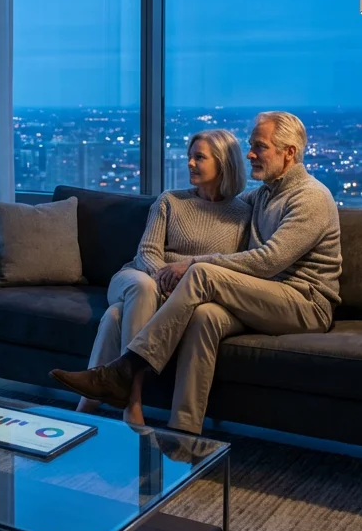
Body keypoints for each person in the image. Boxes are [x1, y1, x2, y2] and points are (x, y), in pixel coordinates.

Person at [51, 111, 342, 433]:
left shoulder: (311, 197)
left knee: (202, 273)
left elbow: (269, 261)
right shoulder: (262, 195)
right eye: (249, 146)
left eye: (259, 147)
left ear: (289, 152)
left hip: (304, 303)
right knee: (205, 316)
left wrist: (189, 263)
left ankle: (124, 370)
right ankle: (184, 433)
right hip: (264, 296)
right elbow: (220, 206)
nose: (250, 154)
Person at [75, 129, 250, 417]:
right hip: (136, 277)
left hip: (183, 293)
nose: (190, 164)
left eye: (199, 158)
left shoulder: (243, 215)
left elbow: (231, 266)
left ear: (223, 162)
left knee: (115, 317)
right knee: (143, 287)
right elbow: (147, 254)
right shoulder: (170, 201)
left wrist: (182, 286)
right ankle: (133, 402)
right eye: (189, 157)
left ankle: (86, 405)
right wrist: (166, 282)